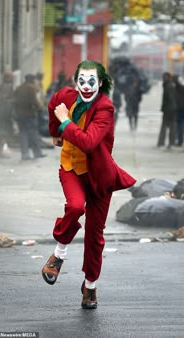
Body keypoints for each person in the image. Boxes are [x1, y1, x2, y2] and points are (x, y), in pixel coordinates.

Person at [41, 60, 136, 309]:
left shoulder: (105, 108)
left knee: (95, 236)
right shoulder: (66, 96)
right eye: (81, 81)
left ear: (101, 83)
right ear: (75, 81)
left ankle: (90, 286)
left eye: (91, 81)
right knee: (74, 207)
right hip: (71, 169)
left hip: (99, 177)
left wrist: (65, 123)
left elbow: (89, 141)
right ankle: (58, 256)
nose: (86, 86)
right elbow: (54, 104)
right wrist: (55, 131)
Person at [14, 74, 46, 160]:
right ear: (32, 80)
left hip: (20, 115)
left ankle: (25, 154)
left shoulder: (19, 88)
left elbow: (15, 102)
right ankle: (37, 153)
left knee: (22, 134)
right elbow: (34, 101)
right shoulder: (31, 88)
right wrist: (40, 108)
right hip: (30, 114)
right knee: (33, 134)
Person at [0, 71, 14, 158]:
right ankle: (2, 150)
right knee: (4, 132)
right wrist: (13, 101)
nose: (13, 78)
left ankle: (2, 150)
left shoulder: (4, 86)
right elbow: (4, 100)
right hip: (4, 113)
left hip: (3, 113)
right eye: (11, 77)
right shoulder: (7, 86)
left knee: (3, 132)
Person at [157, 72, 177, 149]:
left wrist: (171, 109)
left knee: (169, 127)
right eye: (163, 77)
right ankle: (164, 143)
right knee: (166, 127)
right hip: (167, 110)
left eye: (165, 77)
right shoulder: (167, 85)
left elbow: (171, 99)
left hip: (170, 110)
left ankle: (169, 143)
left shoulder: (169, 86)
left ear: (169, 78)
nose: (164, 79)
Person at [173, 75, 184, 147]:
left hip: (179, 109)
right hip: (180, 108)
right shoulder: (181, 88)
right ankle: (179, 140)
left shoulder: (175, 88)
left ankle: (179, 140)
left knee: (179, 125)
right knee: (179, 125)